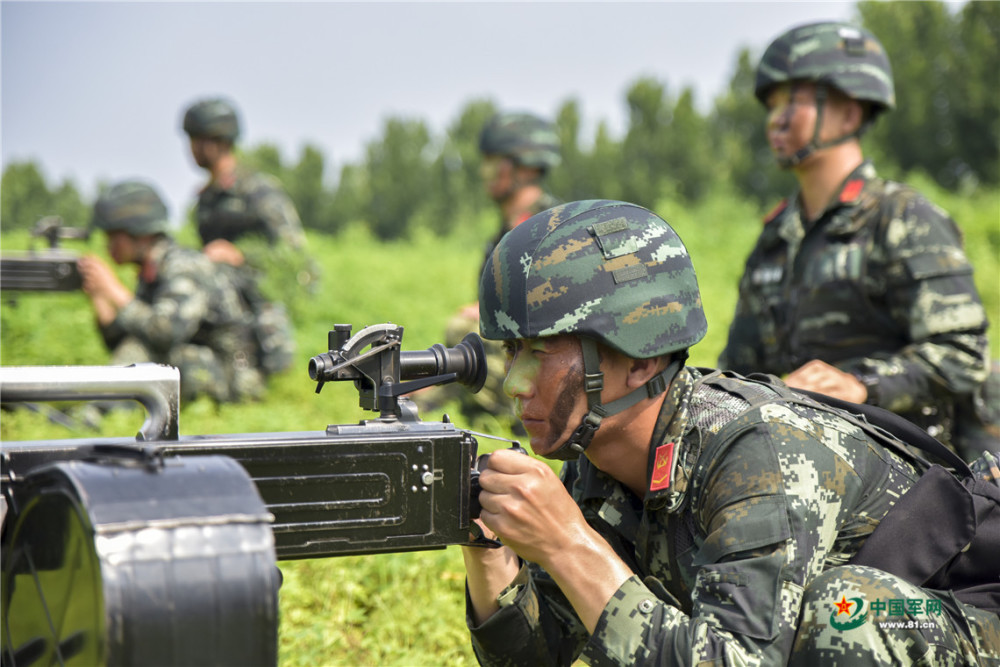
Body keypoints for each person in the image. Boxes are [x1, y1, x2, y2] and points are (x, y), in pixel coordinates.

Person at [462, 198, 1000, 665]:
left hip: (965, 620)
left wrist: (566, 544)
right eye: (512, 352)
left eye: (540, 352)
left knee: (844, 615)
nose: (514, 383)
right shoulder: (596, 460)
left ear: (641, 360)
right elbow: (531, 656)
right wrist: (486, 548)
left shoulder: (756, 449)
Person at [717, 21, 992, 460]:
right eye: (772, 105)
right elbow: (740, 370)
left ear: (849, 112)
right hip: (804, 457)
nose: (776, 120)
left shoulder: (901, 218)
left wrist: (862, 384)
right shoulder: (774, 239)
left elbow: (961, 353)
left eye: (793, 102)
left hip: (911, 465)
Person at [417, 111, 563, 430]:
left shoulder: (547, 227)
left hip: (537, 367)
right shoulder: (510, 229)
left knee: (463, 330)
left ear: (525, 166)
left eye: (494, 162)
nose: (485, 172)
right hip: (512, 358)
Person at [78, 180, 263, 403]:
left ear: (141, 233)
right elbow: (120, 340)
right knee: (138, 348)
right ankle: (100, 410)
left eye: (115, 236)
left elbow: (164, 333)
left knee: (144, 354)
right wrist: (100, 296)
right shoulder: (153, 271)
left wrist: (114, 290)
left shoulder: (183, 266)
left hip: (233, 377)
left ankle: (97, 413)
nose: (108, 245)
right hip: (205, 366)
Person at [182, 96, 317, 373]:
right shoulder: (205, 201)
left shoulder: (257, 190)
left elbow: (294, 255)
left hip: (261, 314)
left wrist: (240, 255)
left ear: (215, 142)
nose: (190, 149)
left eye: (195, 140)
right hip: (223, 312)